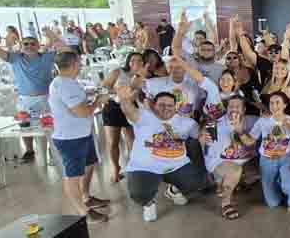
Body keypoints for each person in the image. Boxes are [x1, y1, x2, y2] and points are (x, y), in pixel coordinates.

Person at [116, 85, 207, 222]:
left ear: (175, 107)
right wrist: (124, 100)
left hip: (176, 165)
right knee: (139, 194)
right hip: (145, 167)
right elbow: (129, 111)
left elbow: (200, 136)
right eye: (161, 105)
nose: (166, 108)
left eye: (170, 105)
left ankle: (173, 191)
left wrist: (205, 131)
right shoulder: (144, 116)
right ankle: (148, 203)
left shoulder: (187, 123)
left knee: (197, 182)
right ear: (154, 105)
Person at [49, 51, 111, 223]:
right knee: (73, 175)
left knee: (89, 164)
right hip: (71, 138)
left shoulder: (68, 82)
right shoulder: (64, 85)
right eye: (79, 62)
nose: (81, 65)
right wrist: (98, 101)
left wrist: (91, 97)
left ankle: (86, 197)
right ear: (73, 64)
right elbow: (82, 111)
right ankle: (83, 212)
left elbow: (78, 104)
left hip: (82, 134)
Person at [0, 33, 55, 161]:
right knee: (25, 127)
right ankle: (29, 151)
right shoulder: (15, 58)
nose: (29, 46)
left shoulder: (47, 57)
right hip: (25, 100)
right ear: (21, 46)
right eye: (26, 44)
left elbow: (66, 51)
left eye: (32, 43)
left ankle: (52, 149)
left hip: (46, 98)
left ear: (38, 45)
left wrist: (51, 35)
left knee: (49, 127)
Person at [249, 92, 290, 212]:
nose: (274, 106)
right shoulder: (262, 121)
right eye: (271, 103)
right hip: (267, 159)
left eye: (278, 103)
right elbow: (251, 139)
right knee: (272, 203)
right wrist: (237, 131)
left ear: (285, 105)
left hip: (286, 158)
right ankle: (279, 182)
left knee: (288, 182)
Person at [101, 51, 146, 182]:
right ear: (128, 62)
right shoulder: (118, 72)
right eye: (133, 60)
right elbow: (104, 86)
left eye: (139, 60)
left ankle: (134, 167)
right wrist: (119, 90)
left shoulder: (143, 76)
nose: (136, 63)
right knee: (112, 142)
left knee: (132, 139)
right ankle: (116, 168)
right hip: (113, 107)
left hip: (132, 108)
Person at [173, 13, 223, 83]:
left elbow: (214, 37)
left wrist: (209, 24)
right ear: (198, 51)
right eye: (203, 49)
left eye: (209, 50)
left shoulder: (220, 67)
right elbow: (176, 48)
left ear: (214, 51)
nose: (206, 51)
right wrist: (180, 32)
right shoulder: (191, 61)